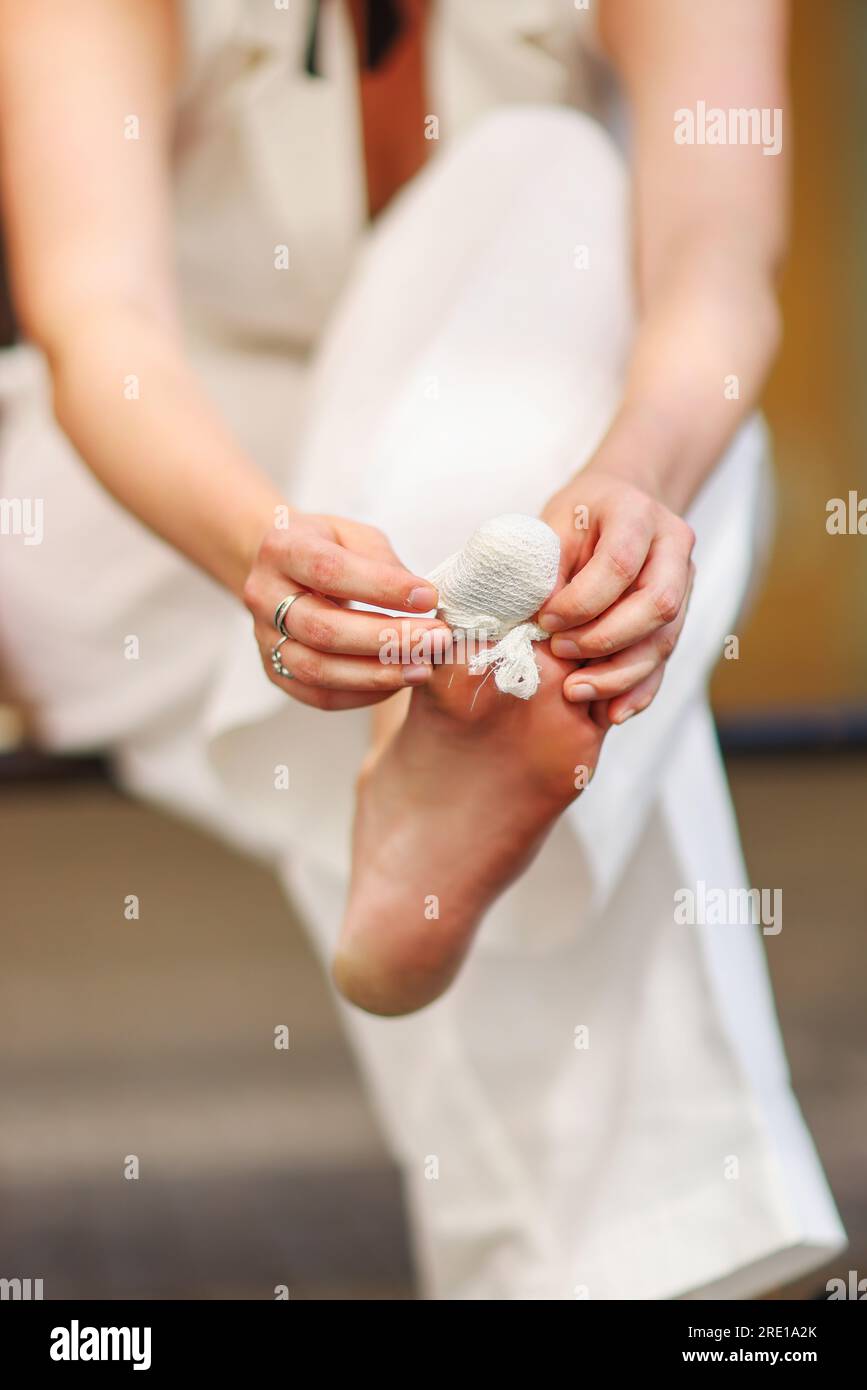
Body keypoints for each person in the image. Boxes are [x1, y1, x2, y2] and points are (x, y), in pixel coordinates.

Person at [0, 0, 845, 1298]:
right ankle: (451, 750)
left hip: (550, 460)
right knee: (502, 584)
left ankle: (441, 765)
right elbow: (96, 319)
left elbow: (715, 263)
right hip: (157, 516)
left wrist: (630, 490)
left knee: (544, 183)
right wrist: (260, 551)